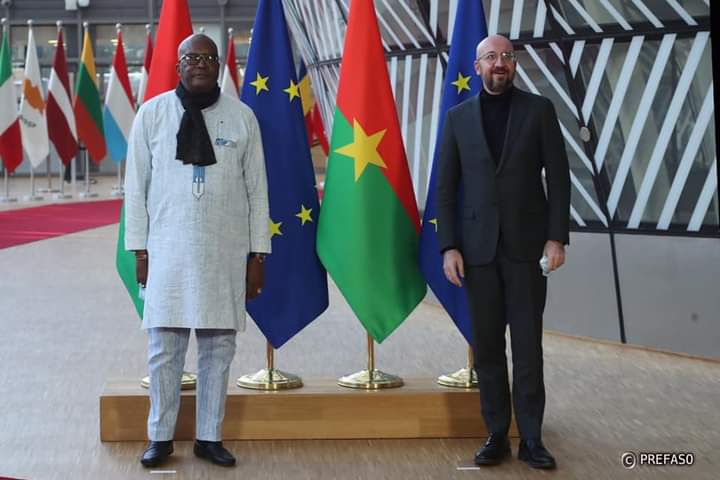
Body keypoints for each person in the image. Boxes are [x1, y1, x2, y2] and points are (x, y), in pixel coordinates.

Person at [124, 34, 271, 468]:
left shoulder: (242, 117)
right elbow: (135, 189)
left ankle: (209, 436)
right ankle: (159, 437)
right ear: (178, 66)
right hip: (166, 251)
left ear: (219, 65)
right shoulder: (152, 115)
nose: (200, 63)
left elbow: (258, 190)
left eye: (208, 57)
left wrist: (257, 256)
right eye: (192, 57)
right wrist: (139, 251)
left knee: (218, 349)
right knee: (163, 351)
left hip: (224, 251)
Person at [436, 34, 570, 470]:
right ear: (477, 66)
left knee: (528, 348)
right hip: (477, 253)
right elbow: (445, 188)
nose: (500, 63)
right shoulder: (457, 118)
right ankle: (496, 433)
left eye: (507, 57)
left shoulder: (539, 110)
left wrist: (556, 238)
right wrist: (449, 246)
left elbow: (560, 178)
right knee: (489, 349)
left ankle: (531, 438)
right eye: (491, 57)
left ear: (514, 65)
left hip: (527, 250)